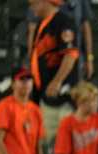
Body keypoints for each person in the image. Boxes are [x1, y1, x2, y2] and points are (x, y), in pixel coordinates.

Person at [28, 0, 80, 143]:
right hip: (46, 96)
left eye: (33, 3)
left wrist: (57, 81)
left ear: (45, 2)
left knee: (66, 144)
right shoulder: (41, 24)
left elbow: (70, 55)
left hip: (63, 97)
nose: (31, 7)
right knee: (46, 145)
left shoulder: (64, 22)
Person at [28, 0, 95, 80]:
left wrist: (89, 58)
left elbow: (86, 28)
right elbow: (32, 29)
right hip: (48, 55)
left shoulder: (80, 2)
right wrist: (31, 59)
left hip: (74, 55)